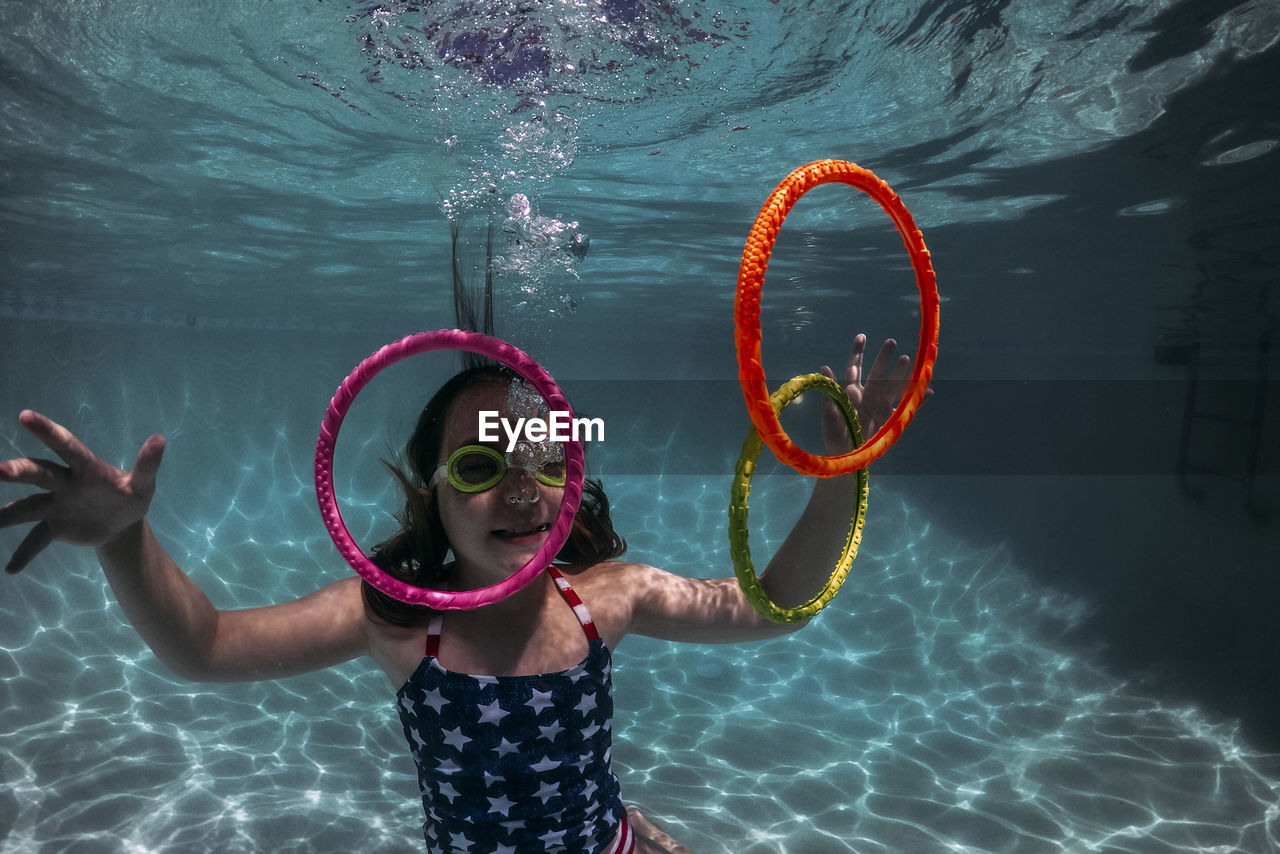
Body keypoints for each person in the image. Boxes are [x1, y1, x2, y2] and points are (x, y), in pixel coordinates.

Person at [0, 333, 921, 854]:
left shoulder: (612, 596)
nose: (520, 487)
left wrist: (843, 478)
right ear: (432, 494)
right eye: (481, 466)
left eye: (541, 462)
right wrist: (125, 538)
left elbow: (772, 606)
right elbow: (200, 646)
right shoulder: (399, 622)